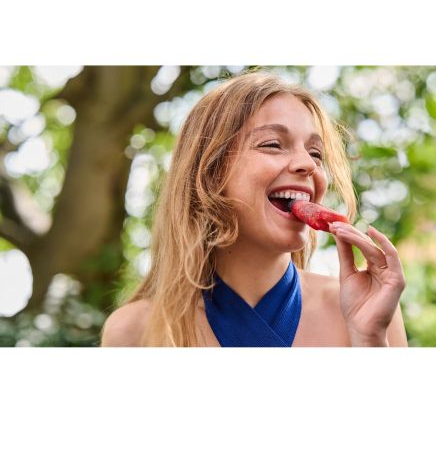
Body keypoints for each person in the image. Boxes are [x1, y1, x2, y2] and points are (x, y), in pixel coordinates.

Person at [101, 70, 407, 347]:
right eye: (273, 144)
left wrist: (370, 340)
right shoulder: (136, 331)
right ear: (210, 174)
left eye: (316, 153)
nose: (308, 164)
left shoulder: (368, 310)